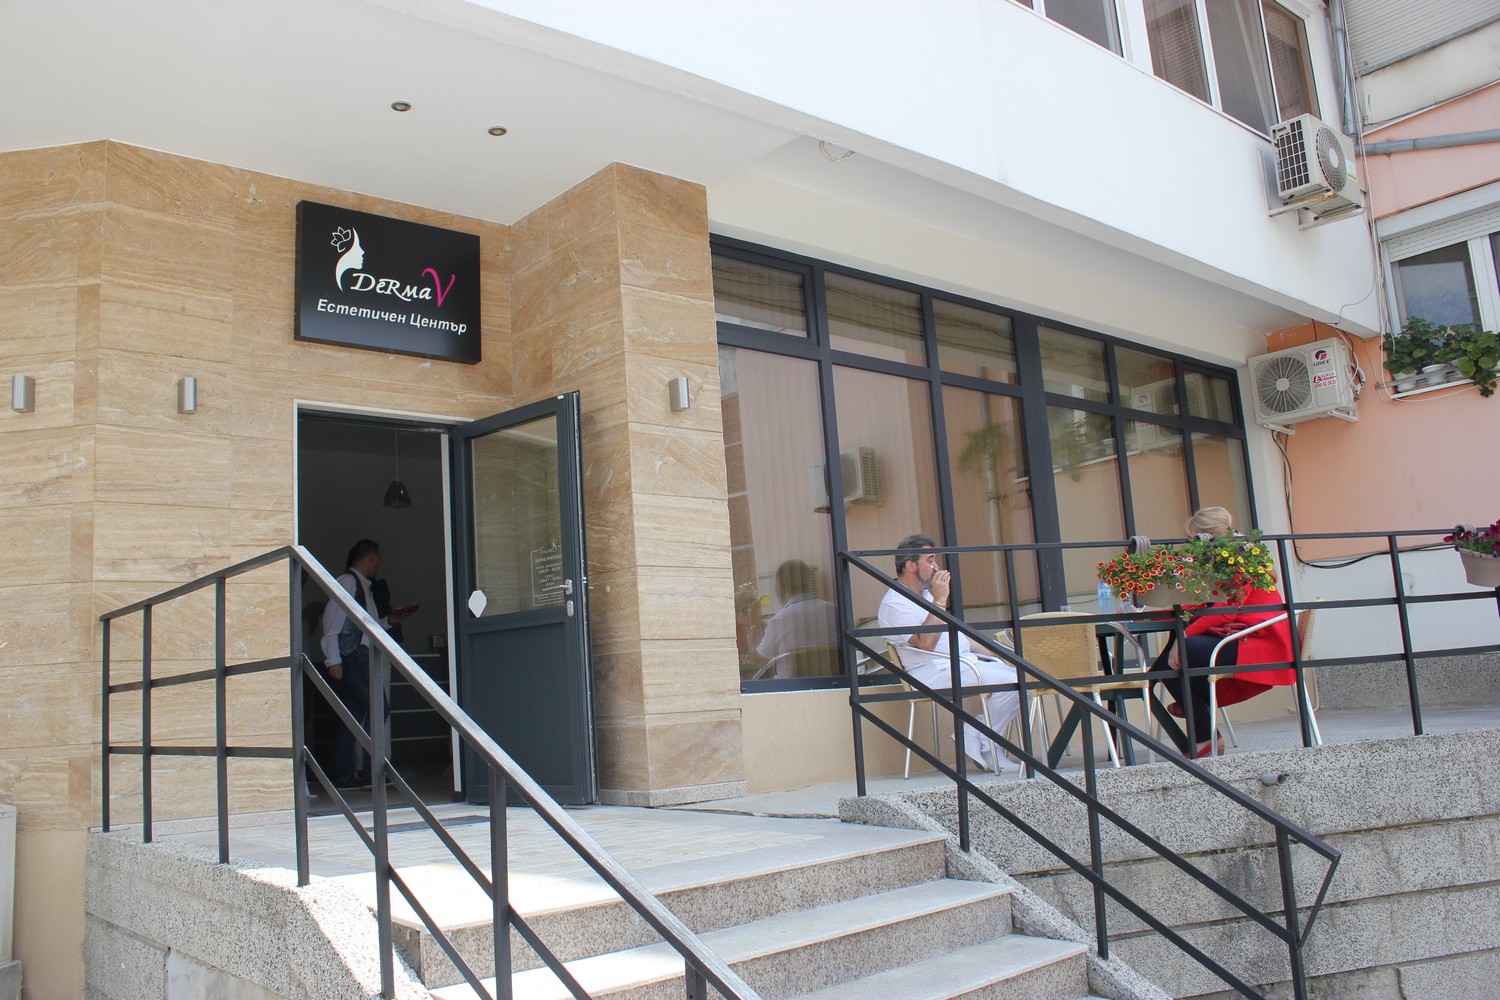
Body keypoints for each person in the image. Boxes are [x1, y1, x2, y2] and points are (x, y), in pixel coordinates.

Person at [1156, 507, 1295, 758]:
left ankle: (1201, 723)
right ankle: (1199, 713)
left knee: (1180, 655)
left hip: (1263, 643)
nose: (1192, 545)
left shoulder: (1238, 558)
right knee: (1168, 664)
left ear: (1210, 536)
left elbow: (1224, 612)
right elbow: (1212, 604)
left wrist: (1183, 638)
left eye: (1195, 539)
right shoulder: (1231, 555)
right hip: (1247, 636)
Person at [877, 534, 1021, 771]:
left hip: (961, 663)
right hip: (930, 673)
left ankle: (976, 736)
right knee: (1014, 682)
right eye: (930, 560)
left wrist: (997, 652)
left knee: (1023, 678)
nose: (936, 567)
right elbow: (926, 643)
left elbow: (956, 638)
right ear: (911, 565)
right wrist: (940, 600)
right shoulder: (896, 603)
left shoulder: (925, 595)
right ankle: (983, 741)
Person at [319, 539, 409, 789]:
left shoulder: (361, 586)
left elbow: (370, 627)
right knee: (379, 709)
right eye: (376, 559)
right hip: (353, 658)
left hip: (355, 657)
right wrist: (334, 660)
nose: (377, 564)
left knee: (353, 717)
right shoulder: (348, 582)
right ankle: (372, 772)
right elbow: (331, 623)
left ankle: (345, 774)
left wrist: (390, 620)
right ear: (370, 558)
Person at [756, 559, 840, 677]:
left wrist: (753, 625)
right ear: (810, 584)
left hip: (791, 686)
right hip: (833, 684)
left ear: (781, 589)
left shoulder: (780, 620)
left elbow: (759, 660)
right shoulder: (834, 611)